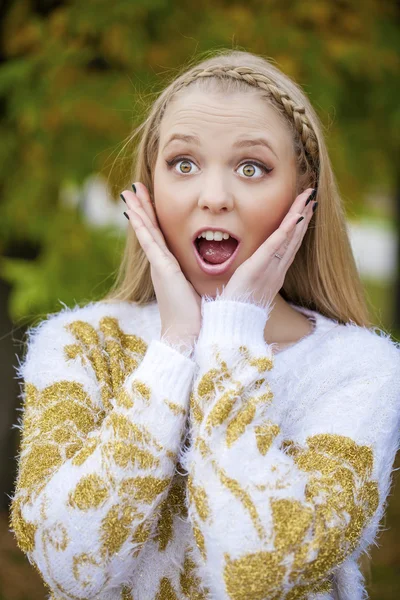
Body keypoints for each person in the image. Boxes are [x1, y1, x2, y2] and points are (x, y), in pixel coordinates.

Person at [9, 49, 400, 600]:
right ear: (150, 183)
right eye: (184, 164)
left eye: (252, 168)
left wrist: (232, 336)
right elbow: (71, 565)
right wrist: (172, 351)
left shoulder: (360, 370)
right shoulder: (80, 345)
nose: (213, 197)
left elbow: (257, 569)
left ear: (302, 192)